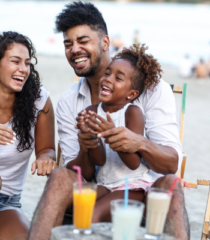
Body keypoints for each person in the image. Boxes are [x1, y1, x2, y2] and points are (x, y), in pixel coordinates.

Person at [28, 2, 189, 240]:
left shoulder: (153, 90)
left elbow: (170, 164)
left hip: (144, 188)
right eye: (68, 44)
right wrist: (88, 144)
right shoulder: (70, 101)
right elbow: (85, 172)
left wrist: (137, 142)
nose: (74, 50)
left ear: (105, 43)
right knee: (60, 177)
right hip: (101, 186)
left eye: (83, 41)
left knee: (171, 187)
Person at [0, 31, 56, 240]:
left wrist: (46, 158)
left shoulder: (39, 100)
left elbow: (47, 149)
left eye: (27, 63)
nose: (23, 69)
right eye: (15, 61)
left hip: (3, 206)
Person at [75, 44, 161, 221]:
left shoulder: (132, 113)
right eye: (107, 73)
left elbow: (133, 163)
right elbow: (99, 160)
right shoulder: (92, 110)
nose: (108, 79)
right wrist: (89, 137)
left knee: (92, 214)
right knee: (78, 206)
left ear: (131, 94)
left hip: (132, 185)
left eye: (118, 78)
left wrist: (111, 133)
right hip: (105, 183)